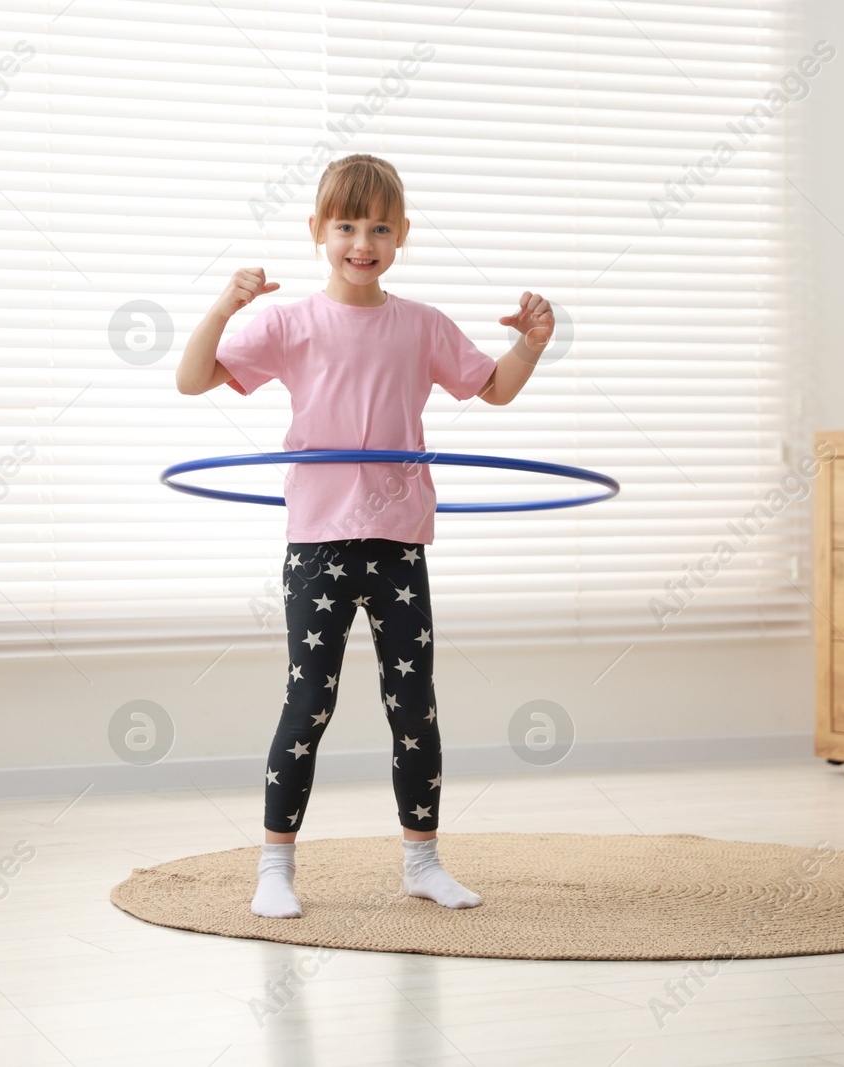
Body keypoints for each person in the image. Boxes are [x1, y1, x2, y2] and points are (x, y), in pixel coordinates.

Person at [176, 153, 552, 918]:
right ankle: (275, 866)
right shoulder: (290, 322)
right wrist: (224, 305)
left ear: (402, 234)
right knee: (308, 698)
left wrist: (532, 343)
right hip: (319, 539)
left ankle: (423, 859)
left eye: (379, 227)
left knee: (413, 703)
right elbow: (193, 378)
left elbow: (495, 389)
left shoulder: (421, 325)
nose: (362, 241)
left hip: (399, 537)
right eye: (346, 224)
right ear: (318, 230)